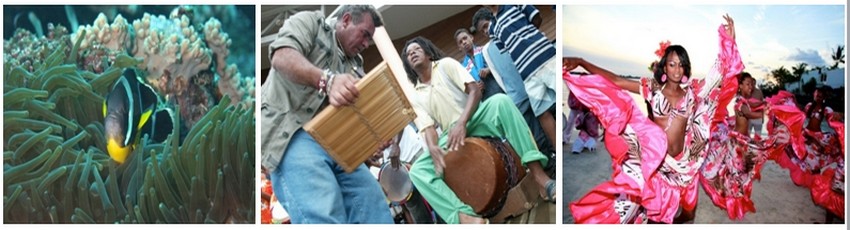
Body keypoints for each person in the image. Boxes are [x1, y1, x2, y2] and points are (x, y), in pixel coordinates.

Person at [563, 14, 742, 223]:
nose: (677, 69)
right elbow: (616, 80)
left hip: (686, 164)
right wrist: (582, 62)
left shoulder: (693, 92)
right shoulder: (652, 89)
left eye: (681, 65)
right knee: (650, 211)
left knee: (689, 213)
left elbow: (719, 72)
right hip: (657, 164)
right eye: (672, 64)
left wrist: (730, 40)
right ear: (665, 67)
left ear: (685, 69)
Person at [259, 5, 394, 224]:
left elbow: (350, 118)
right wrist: (327, 81)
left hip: (336, 145)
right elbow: (281, 57)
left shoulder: (356, 65)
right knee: (323, 212)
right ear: (346, 20)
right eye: (365, 35)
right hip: (292, 134)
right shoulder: (309, 22)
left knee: (372, 201)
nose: (366, 44)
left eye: (369, 40)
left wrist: (367, 146)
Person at [401, 36, 555, 224]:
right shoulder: (415, 94)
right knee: (417, 171)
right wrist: (433, 147)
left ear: (427, 52)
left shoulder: (445, 65)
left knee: (501, 101)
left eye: (416, 49)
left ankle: (540, 177)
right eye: (408, 54)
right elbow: (428, 128)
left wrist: (462, 123)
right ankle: (464, 216)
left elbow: (474, 91)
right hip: (450, 134)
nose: (412, 54)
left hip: (474, 116)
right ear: (408, 64)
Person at [473, 5, 557, 150]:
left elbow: (536, 18)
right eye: (482, 31)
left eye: (486, 26)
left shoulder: (514, 4)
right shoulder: (493, 33)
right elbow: (508, 51)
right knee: (542, 113)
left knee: (567, 94)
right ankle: (556, 153)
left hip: (545, 58)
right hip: (527, 75)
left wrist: (530, 39)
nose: (486, 31)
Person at [454, 28, 503, 101]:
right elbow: (466, 89)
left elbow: (501, 65)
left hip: (501, 92)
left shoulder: (486, 50)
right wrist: (475, 87)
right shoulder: (462, 68)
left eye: (465, 38)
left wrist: (489, 69)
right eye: (460, 42)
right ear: (459, 48)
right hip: (486, 101)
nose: (464, 42)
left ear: (471, 37)